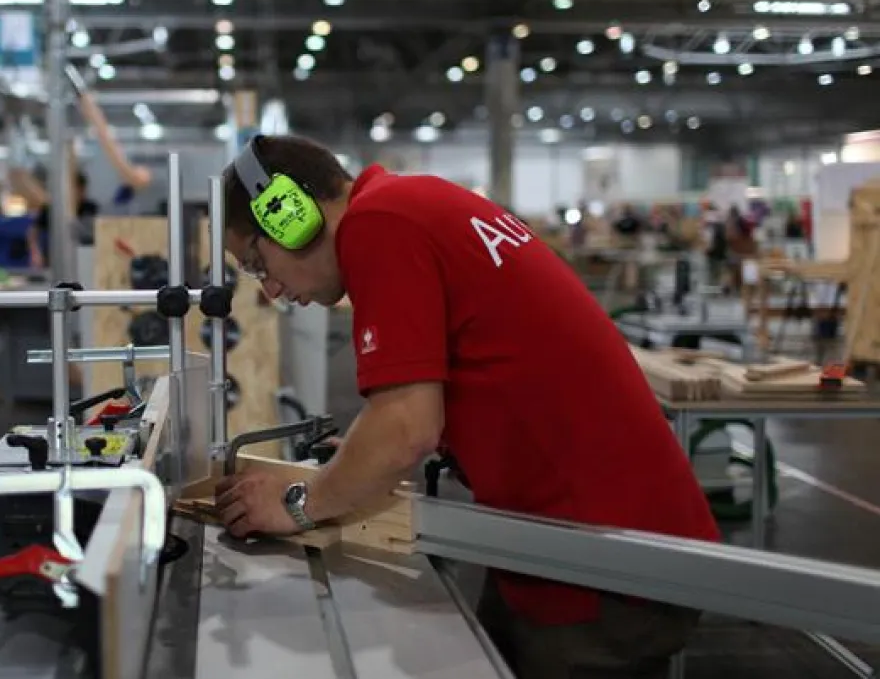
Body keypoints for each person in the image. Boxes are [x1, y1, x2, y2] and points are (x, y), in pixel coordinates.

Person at [212, 134, 721, 679]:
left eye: (254, 261)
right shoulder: (411, 202)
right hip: (582, 532)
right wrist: (361, 456)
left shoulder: (378, 225)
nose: (269, 289)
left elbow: (407, 428)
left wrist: (299, 502)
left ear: (291, 214)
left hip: (600, 555)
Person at [27, 170, 99, 268]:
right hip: (55, 261)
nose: (81, 193)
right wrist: (35, 253)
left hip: (85, 261)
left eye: (82, 189)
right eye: (77, 189)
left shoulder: (91, 208)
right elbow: (33, 232)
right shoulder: (53, 209)